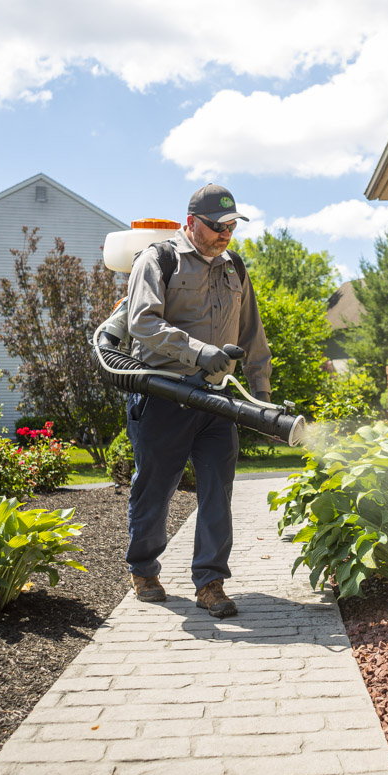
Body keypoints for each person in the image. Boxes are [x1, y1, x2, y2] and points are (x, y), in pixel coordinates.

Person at [121, 184, 272, 618]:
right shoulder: (158, 259)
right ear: (190, 222)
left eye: (231, 225)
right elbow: (142, 323)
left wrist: (260, 394)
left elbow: (252, 336)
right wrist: (199, 351)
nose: (226, 233)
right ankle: (144, 569)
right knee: (155, 488)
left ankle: (210, 582)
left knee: (217, 492)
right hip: (163, 395)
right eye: (217, 225)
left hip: (216, 400)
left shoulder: (235, 268)